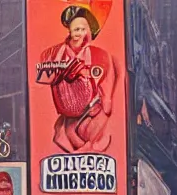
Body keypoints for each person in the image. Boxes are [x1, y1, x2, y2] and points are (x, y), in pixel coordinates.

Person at [37, 3, 122, 154]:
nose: (80, 34)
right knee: (68, 132)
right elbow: (43, 77)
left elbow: (107, 87)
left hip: (92, 111)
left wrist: (105, 101)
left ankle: (87, 148)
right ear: (69, 30)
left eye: (84, 30)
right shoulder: (52, 54)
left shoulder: (101, 55)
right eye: (77, 29)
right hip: (68, 113)